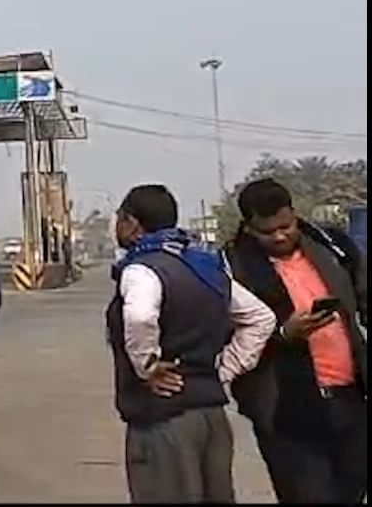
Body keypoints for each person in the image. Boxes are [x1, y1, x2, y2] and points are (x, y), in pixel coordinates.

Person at [107, 184, 275, 504]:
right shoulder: (204, 266)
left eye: (119, 218)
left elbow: (141, 317)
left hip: (164, 421)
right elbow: (260, 319)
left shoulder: (142, 269)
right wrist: (224, 370)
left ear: (131, 222)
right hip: (211, 415)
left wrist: (148, 367)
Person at [224, 178, 366, 504]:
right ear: (248, 228)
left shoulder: (333, 247)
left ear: (294, 214)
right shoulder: (232, 269)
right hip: (283, 409)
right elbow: (226, 337)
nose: (280, 236)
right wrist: (284, 335)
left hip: (350, 400)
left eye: (286, 226)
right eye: (267, 231)